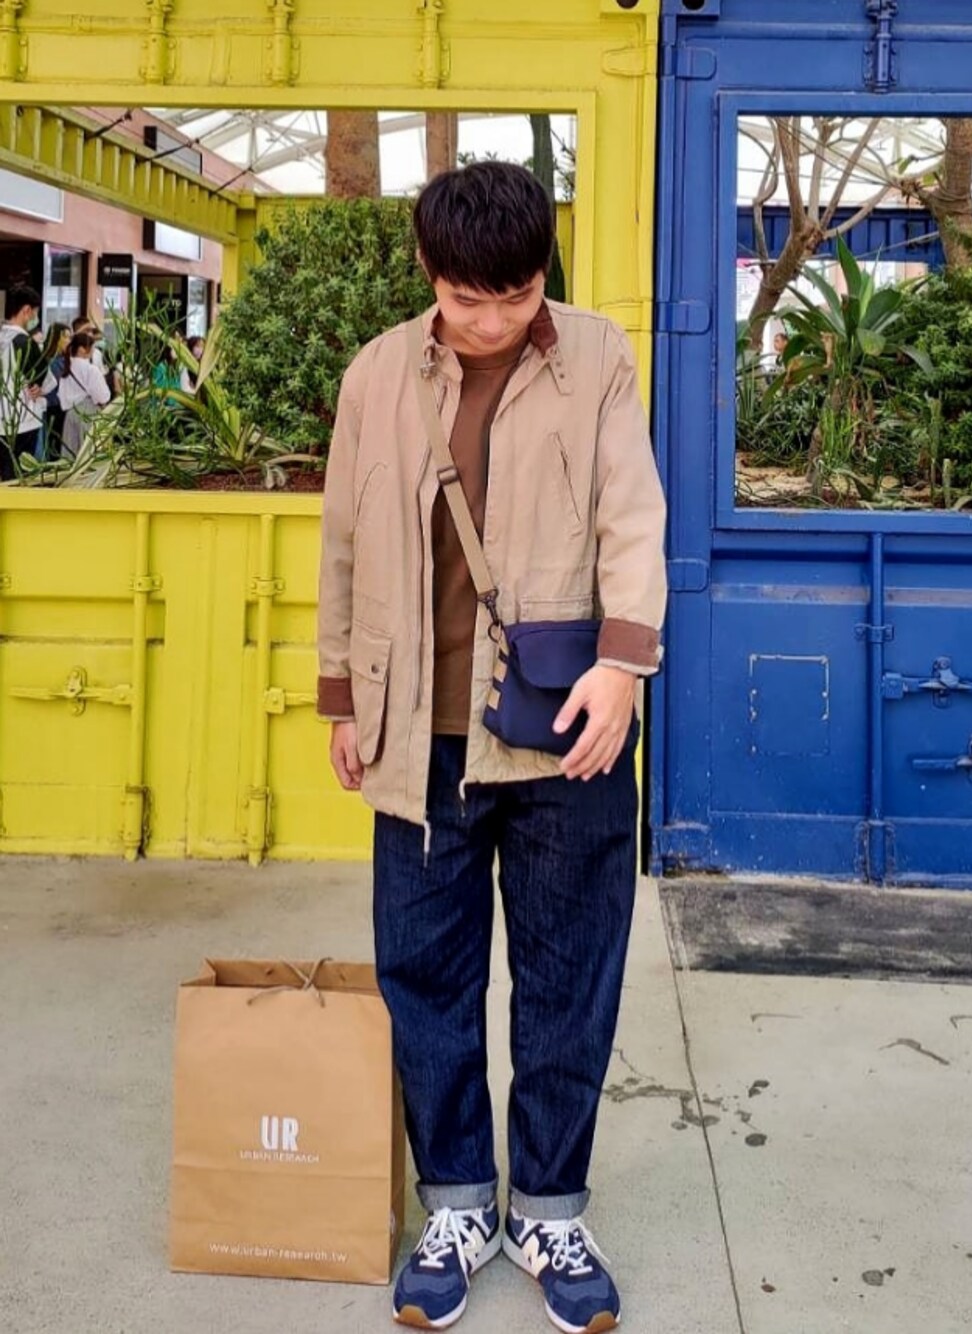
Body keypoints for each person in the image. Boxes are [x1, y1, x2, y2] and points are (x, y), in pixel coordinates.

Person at [317, 161, 666, 1333]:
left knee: (569, 977)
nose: (493, 320)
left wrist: (623, 662)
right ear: (430, 273)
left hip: (563, 726)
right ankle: (458, 1202)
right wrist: (339, 696)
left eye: (516, 295)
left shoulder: (596, 356)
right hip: (417, 731)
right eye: (469, 298)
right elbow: (343, 538)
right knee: (426, 978)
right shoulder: (376, 372)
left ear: (541, 274)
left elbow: (631, 511)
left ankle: (549, 1209)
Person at [0, 285, 52, 479]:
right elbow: (46, 381)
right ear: (27, 310)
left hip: (2, 419)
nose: (35, 318)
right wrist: (39, 387)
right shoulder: (24, 342)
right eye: (35, 313)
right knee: (19, 476)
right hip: (23, 420)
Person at [57, 331, 111, 457]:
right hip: (89, 413)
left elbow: (61, 395)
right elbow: (102, 397)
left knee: (71, 455)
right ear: (82, 349)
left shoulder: (66, 369)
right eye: (91, 347)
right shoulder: (91, 369)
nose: (93, 351)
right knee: (89, 455)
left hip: (70, 414)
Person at [39, 322, 71, 459]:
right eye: (66, 337)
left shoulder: (64, 359)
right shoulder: (49, 361)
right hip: (53, 408)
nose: (69, 341)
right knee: (54, 445)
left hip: (63, 407)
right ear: (57, 338)